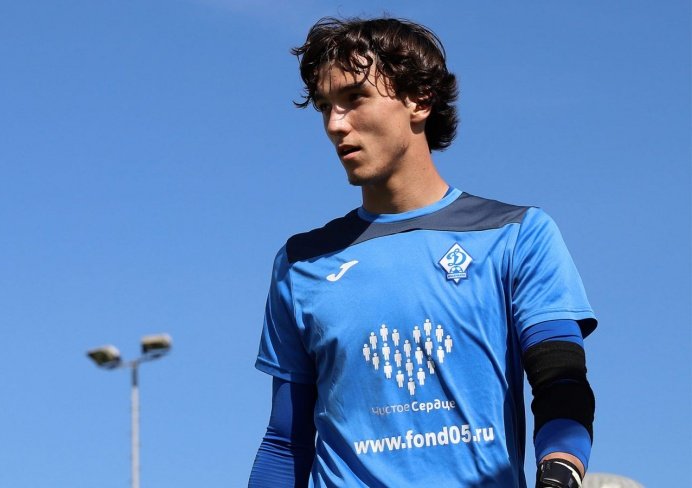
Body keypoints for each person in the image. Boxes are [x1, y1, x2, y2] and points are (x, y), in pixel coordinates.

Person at [249, 17, 596, 488]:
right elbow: (284, 441)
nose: (335, 124)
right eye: (325, 106)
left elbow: (562, 382)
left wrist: (559, 468)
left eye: (355, 98)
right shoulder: (301, 263)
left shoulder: (516, 235)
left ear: (420, 100)